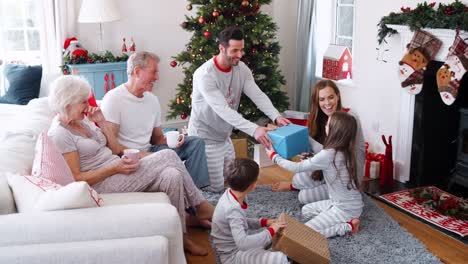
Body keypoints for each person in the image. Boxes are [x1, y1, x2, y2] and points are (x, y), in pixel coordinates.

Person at [47, 75, 213, 256]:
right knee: (168, 154)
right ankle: (201, 205)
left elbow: (115, 147)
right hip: (102, 183)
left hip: (117, 168)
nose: (87, 105)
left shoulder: (83, 120)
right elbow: (76, 178)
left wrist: (101, 122)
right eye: (82, 102)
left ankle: (181, 238)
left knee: (172, 175)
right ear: (67, 103)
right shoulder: (60, 134)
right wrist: (114, 168)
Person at [188, 26, 291, 192]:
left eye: (241, 49)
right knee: (213, 188)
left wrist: (276, 116)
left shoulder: (241, 69)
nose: (240, 55)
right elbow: (222, 109)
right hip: (205, 138)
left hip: (224, 136)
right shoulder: (205, 74)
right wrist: (254, 129)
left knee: (232, 181)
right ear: (222, 48)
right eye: (235, 50)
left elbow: (257, 94)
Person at [100, 51, 210, 189]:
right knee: (167, 158)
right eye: (154, 72)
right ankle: (193, 197)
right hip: (129, 157)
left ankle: (196, 191)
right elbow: (112, 146)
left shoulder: (152, 99)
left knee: (195, 143)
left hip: (150, 150)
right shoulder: (114, 99)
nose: (157, 77)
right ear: (137, 71)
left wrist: (176, 139)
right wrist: (143, 155)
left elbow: (157, 138)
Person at [266, 111, 363, 238]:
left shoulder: (329, 154)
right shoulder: (346, 149)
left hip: (345, 210)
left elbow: (297, 167)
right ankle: (332, 218)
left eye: (328, 124)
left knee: (305, 233)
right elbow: (319, 148)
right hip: (345, 204)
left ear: (334, 130)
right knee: (306, 211)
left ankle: (348, 226)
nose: (325, 126)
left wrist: (274, 156)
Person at [272, 80, 366, 204]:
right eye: (322, 99)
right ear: (317, 101)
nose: (327, 103)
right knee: (298, 180)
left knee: (304, 197)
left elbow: (336, 156)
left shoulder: (348, 119)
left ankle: (300, 187)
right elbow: (318, 155)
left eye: (331, 97)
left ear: (338, 96)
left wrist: (306, 139)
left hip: (346, 178)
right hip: (329, 169)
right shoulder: (318, 118)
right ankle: (297, 185)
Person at [211, 158, 289, 264]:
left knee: (274, 238)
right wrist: (270, 230)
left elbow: (241, 221)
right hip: (233, 257)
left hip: (241, 248)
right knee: (280, 258)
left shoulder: (233, 193)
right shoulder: (232, 209)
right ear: (253, 185)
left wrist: (263, 222)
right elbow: (242, 243)